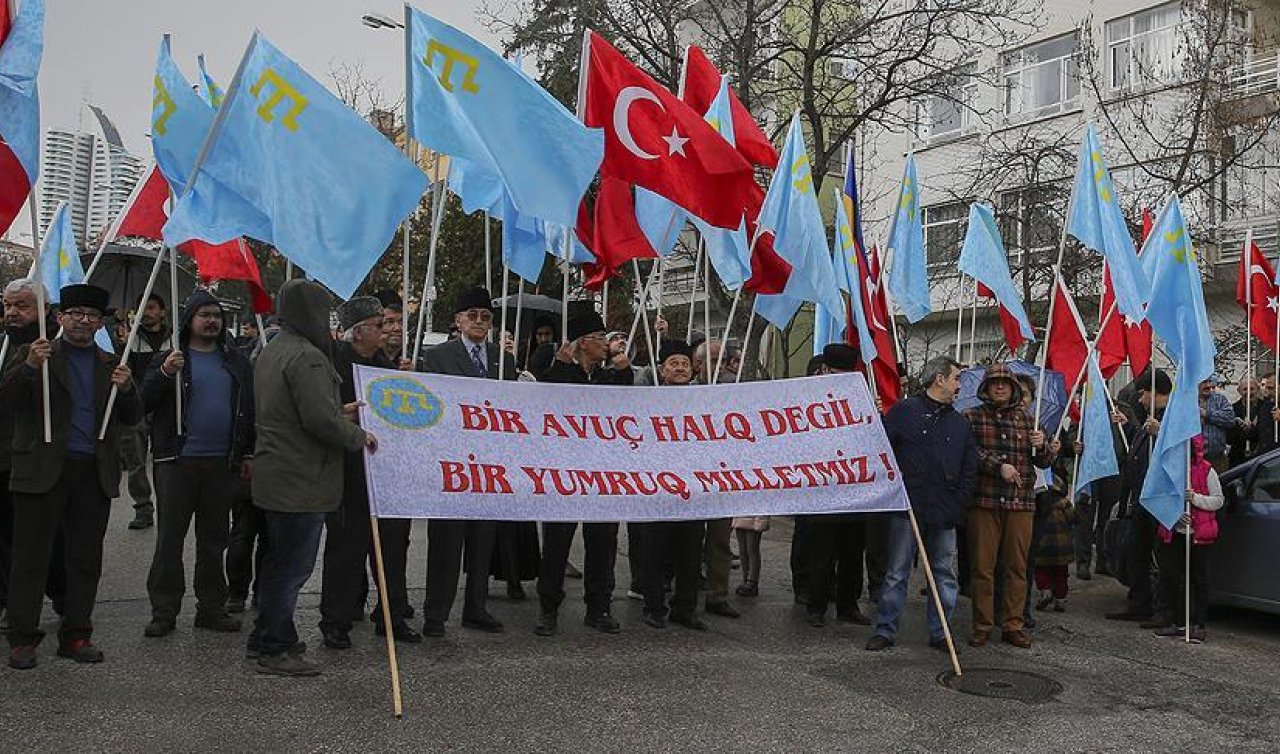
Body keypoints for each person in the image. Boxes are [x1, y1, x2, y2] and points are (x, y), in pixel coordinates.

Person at [4, 284, 141, 669]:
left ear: (100, 322)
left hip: (91, 471)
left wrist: (127, 389)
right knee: (30, 558)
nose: (83, 320)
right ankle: (22, 638)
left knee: (84, 559)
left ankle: (77, 634)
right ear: (60, 317)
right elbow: (7, 401)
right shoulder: (36, 354)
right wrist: (30, 367)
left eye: (92, 315)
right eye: (76, 313)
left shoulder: (109, 362)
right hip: (42, 468)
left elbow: (132, 417)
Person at [247, 280, 377, 677]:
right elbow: (318, 421)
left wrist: (338, 412)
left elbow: (297, 410)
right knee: (292, 569)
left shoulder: (274, 350)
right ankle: (275, 647)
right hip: (301, 479)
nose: (327, 320)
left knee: (276, 563)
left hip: (276, 473)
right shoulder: (309, 357)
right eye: (323, 311)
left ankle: (267, 633)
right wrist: (358, 435)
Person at [141, 290, 255, 638]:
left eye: (216, 315)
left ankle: (211, 607)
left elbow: (248, 410)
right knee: (169, 541)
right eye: (204, 314)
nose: (212, 321)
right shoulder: (171, 358)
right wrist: (163, 372)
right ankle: (164, 610)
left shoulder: (235, 361)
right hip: (177, 461)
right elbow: (142, 401)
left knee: (213, 540)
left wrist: (247, 453)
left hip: (221, 463)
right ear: (189, 320)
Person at [318, 296, 420, 649]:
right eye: (379, 324)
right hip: (348, 470)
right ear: (358, 332)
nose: (386, 330)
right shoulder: (333, 363)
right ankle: (336, 620)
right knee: (346, 548)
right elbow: (321, 412)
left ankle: (390, 614)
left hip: (385, 472)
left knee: (392, 548)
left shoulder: (384, 366)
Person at [419, 287, 515, 637]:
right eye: (471, 315)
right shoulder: (437, 356)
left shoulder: (502, 360)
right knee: (446, 540)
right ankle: (436, 613)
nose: (478, 321)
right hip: (453, 461)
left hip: (490, 463)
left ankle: (476, 606)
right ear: (458, 320)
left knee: (482, 539)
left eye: (485, 316)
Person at [866, 356, 976, 652]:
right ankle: (886, 630)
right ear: (939, 379)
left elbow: (969, 468)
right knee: (896, 572)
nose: (959, 385)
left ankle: (941, 632)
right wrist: (875, 420)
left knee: (943, 573)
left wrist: (958, 504)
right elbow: (881, 451)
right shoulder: (903, 412)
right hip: (907, 508)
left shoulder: (959, 423)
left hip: (945, 511)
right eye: (956, 378)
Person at [534, 307, 632, 637]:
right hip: (565, 475)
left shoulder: (607, 377)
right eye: (600, 338)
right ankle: (549, 609)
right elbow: (543, 402)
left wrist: (624, 371)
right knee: (557, 544)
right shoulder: (559, 373)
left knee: (603, 544)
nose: (607, 344)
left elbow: (629, 409)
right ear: (582, 343)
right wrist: (560, 365)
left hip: (602, 475)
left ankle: (599, 607)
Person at [963, 362, 1054, 649]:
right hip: (984, 502)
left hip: (1021, 502)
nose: (1000, 386)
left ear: (1014, 388)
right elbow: (968, 453)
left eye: (1005, 382)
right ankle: (982, 624)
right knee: (982, 567)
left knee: (1017, 566)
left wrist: (1045, 445)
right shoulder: (971, 417)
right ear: (986, 388)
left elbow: (1043, 462)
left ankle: (1013, 624)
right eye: (994, 383)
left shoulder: (1029, 420)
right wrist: (996, 466)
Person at [0, 279, 67, 631]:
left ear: (44, 311)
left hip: (38, 459)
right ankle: (12, 601)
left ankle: (63, 598)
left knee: (46, 539)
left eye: (21, 306)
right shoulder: (4, 345)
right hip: (4, 457)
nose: (12, 313)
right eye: (8, 305)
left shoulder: (60, 345)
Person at [638, 339, 707, 631]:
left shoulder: (705, 401)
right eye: (673, 364)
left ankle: (685, 607)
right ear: (662, 370)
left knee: (690, 553)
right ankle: (654, 606)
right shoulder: (648, 401)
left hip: (692, 490)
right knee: (654, 552)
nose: (680, 368)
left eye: (685, 363)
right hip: (657, 489)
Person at [805, 344, 872, 628]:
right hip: (822, 490)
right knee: (820, 552)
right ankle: (816, 605)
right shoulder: (808, 399)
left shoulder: (864, 398)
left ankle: (848, 604)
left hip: (855, 490)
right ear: (824, 370)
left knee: (852, 553)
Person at [1106, 369, 1172, 625]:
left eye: (1144, 394)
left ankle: (1163, 611)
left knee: (1161, 558)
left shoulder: (1170, 418)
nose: (1141, 400)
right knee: (1136, 553)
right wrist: (1129, 426)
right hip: (1140, 498)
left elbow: (1183, 449)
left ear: (1156, 393)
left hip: (1159, 499)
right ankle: (1139, 603)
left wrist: (1162, 431)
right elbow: (1142, 446)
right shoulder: (1149, 419)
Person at [1152, 435, 1222, 643]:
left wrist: (1196, 500)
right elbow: (1161, 498)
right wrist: (1174, 515)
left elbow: (1218, 500)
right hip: (1175, 533)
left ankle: (1198, 625)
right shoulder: (1169, 472)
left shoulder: (1207, 471)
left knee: (1198, 579)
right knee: (1172, 578)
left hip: (1199, 535)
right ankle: (1177, 622)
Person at [692, 337, 742, 620]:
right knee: (687, 541)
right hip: (688, 481)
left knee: (720, 540)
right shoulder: (681, 392)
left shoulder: (733, 392)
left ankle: (717, 595)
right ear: (699, 364)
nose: (721, 366)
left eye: (723, 360)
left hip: (721, 479)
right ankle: (684, 592)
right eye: (714, 360)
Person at [122, 292, 172, 530]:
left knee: (167, 461)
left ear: (162, 311)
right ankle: (143, 507)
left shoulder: (175, 338)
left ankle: (171, 506)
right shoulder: (131, 340)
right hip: (138, 406)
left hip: (167, 407)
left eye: (151, 308)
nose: (146, 313)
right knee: (136, 460)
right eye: (142, 308)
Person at [1033, 474, 1074, 613]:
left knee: (1041, 570)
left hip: (1042, 545)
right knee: (1061, 574)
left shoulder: (1038, 504)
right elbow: (1074, 518)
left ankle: (1045, 591)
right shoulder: (1064, 503)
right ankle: (1060, 599)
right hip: (1062, 548)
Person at [1198, 376, 1235, 472]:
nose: (1208, 385)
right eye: (1204, 382)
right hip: (1194, 460)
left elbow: (1230, 419)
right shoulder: (1187, 401)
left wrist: (1207, 414)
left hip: (1217, 459)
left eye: (1209, 381)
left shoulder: (1220, 399)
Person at [732, 515, 768, 598]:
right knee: (743, 549)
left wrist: (761, 521)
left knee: (752, 549)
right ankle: (745, 578)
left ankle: (752, 581)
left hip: (755, 517)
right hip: (741, 515)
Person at [1228, 375, 1260, 468]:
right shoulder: (1232, 409)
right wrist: (1243, 430)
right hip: (1238, 458)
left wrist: (1252, 430)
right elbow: (1229, 437)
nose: (1249, 392)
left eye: (1252, 389)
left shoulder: (1265, 407)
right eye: (1245, 389)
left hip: (1260, 457)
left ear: (1258, 389)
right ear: (1239, 391)